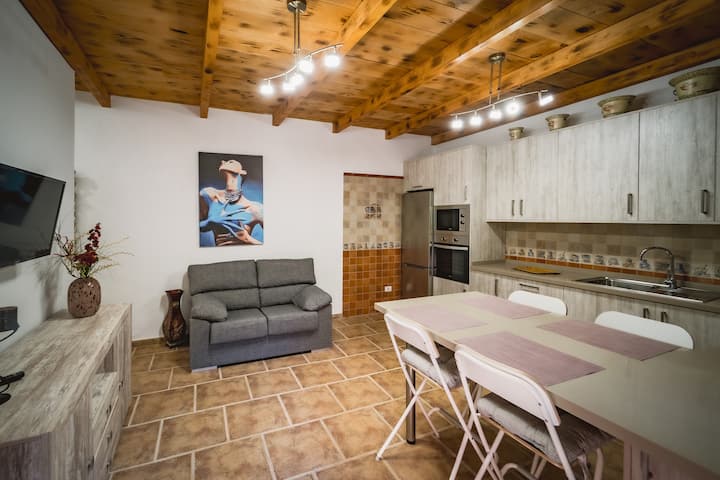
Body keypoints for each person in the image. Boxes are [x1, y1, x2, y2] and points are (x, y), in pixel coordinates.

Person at [199, 159, 264, 245]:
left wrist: (248, 240)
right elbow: (191, 228)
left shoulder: (255, 209)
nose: (224, 161)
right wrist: (209, 222)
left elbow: (275, 243)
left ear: (243, 174)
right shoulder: (210, 196)